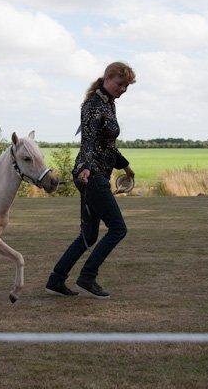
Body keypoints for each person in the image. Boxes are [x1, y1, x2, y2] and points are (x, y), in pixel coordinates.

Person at [45, 61, 136, 299]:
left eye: (126, 86)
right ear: (107, 77)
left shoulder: (108, 104)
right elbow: (87, 141)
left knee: (89, 235)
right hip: (91, 175)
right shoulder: (93, 105)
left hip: (96, 174)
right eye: (120, 84)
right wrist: (85, 167)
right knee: (118, 228)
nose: (123, 89)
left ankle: (56, 279)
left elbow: (106, 146)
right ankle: (87, 277)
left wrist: (125, 166)